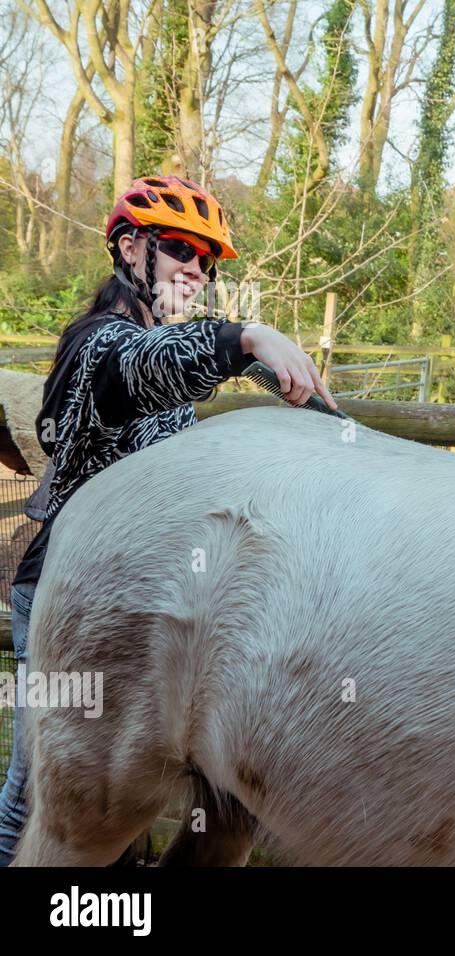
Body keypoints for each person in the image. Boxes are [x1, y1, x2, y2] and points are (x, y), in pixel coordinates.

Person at [0, 174, 336, 866]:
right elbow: (148, 366)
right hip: (73, 596)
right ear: (129, 249)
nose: (198, 269)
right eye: (182, 247)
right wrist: (245, 338)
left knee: (146, 803)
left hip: (142, 602)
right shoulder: (99, 346)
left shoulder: (160, 349)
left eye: (208, 261)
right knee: (37, 800)